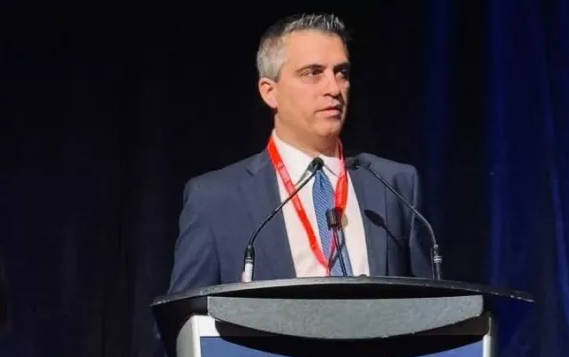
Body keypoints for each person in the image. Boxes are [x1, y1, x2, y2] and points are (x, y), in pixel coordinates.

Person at [168, 13, 431, 294]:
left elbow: (429, 306)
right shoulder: (216, 199)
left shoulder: (394, 185)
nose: (334, 88)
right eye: (312, 73)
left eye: (341, 73)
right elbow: (187, 314)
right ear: (269, 92)